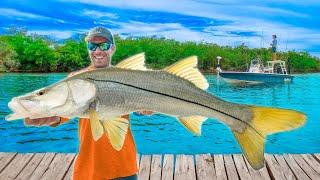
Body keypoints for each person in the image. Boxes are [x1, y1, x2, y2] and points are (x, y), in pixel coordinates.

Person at [25, 26, 152, 180]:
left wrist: (146, 109)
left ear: (112, 49)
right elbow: (64, 112)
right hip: (89, 169)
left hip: (123, 166)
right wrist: (52, 117)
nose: (97, 51)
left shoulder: (128, 77)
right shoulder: (75, 78)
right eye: (92, 46)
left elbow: (140, 107)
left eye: (103, 46)